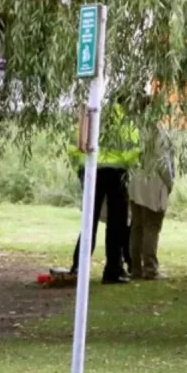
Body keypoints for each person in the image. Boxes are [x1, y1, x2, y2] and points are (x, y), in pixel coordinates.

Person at [68, 98, 140, 284]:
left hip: (91, 171)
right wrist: (128, 166)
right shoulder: (125, 121)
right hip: (116, 172)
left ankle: (78, 267)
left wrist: (81, 171)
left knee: (89, 223)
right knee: (117, 224)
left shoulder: (91, 116)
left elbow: (75, 145)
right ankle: (113, 270)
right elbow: (134, 149)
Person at [128, 114, 174, 280]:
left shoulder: (133, 129)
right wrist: (169, 182)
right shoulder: (157, 132)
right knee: (151, 226)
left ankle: (135, 268)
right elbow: (163, 161)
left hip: (135, 182)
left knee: (137, 226)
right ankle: (150, 268)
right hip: (153, 182)